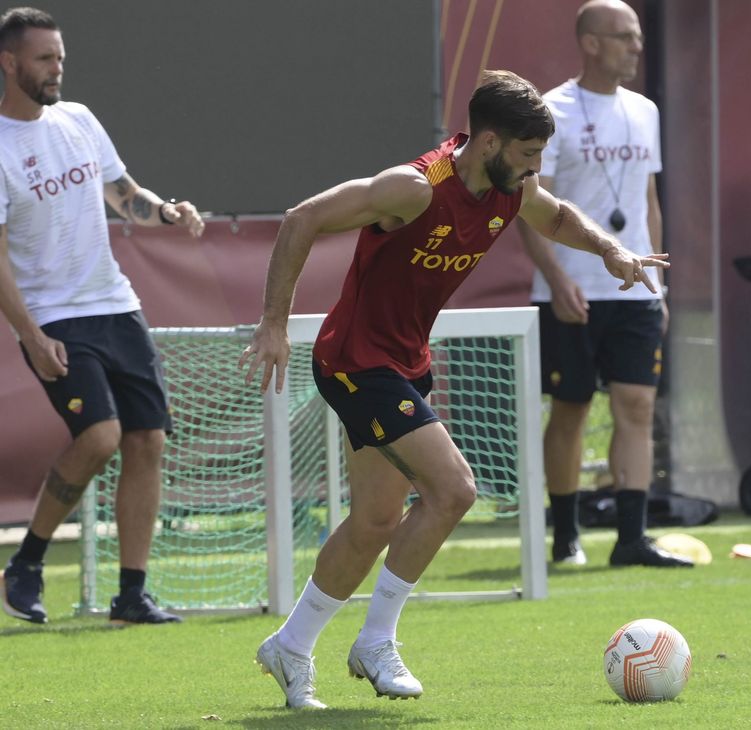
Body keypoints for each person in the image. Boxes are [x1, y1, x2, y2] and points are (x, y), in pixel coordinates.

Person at [240, 69, 668, 709]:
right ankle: (376, 640)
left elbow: (556, 217)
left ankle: (291, 645)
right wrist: (274, 322)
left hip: (404, 363)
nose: (536, 170)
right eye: (529, 156)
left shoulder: (512, 189)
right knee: (454, 489)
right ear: (490, 143)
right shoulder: (411, 190)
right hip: (356, 361)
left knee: (377, 519)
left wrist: (611, 251)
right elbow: (302, 218)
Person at [0, 7, 205, 625]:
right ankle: (27, 564)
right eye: (44, 58)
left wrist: (165, 212)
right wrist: (29, 335)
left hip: (117, 305)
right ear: (9, 63)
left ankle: (130, 595)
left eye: (60, 56)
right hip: (54, 319)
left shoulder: (79, 119)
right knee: (100, 437)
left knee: (147, 440)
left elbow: (124, 195)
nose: (57, 67)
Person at [517, 0, 691, 568]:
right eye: (624, 37)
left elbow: (647, 201)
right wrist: (556, 276)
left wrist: (658, 287)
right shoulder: (553, 110)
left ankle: (631, 538)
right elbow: (530, 206)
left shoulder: (645, 111)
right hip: (574, 288)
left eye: (638, 37)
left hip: (635, 285)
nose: (635, 47)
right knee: (570, 409)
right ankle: (565, 535)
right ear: (590, 43)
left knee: (637, 405)